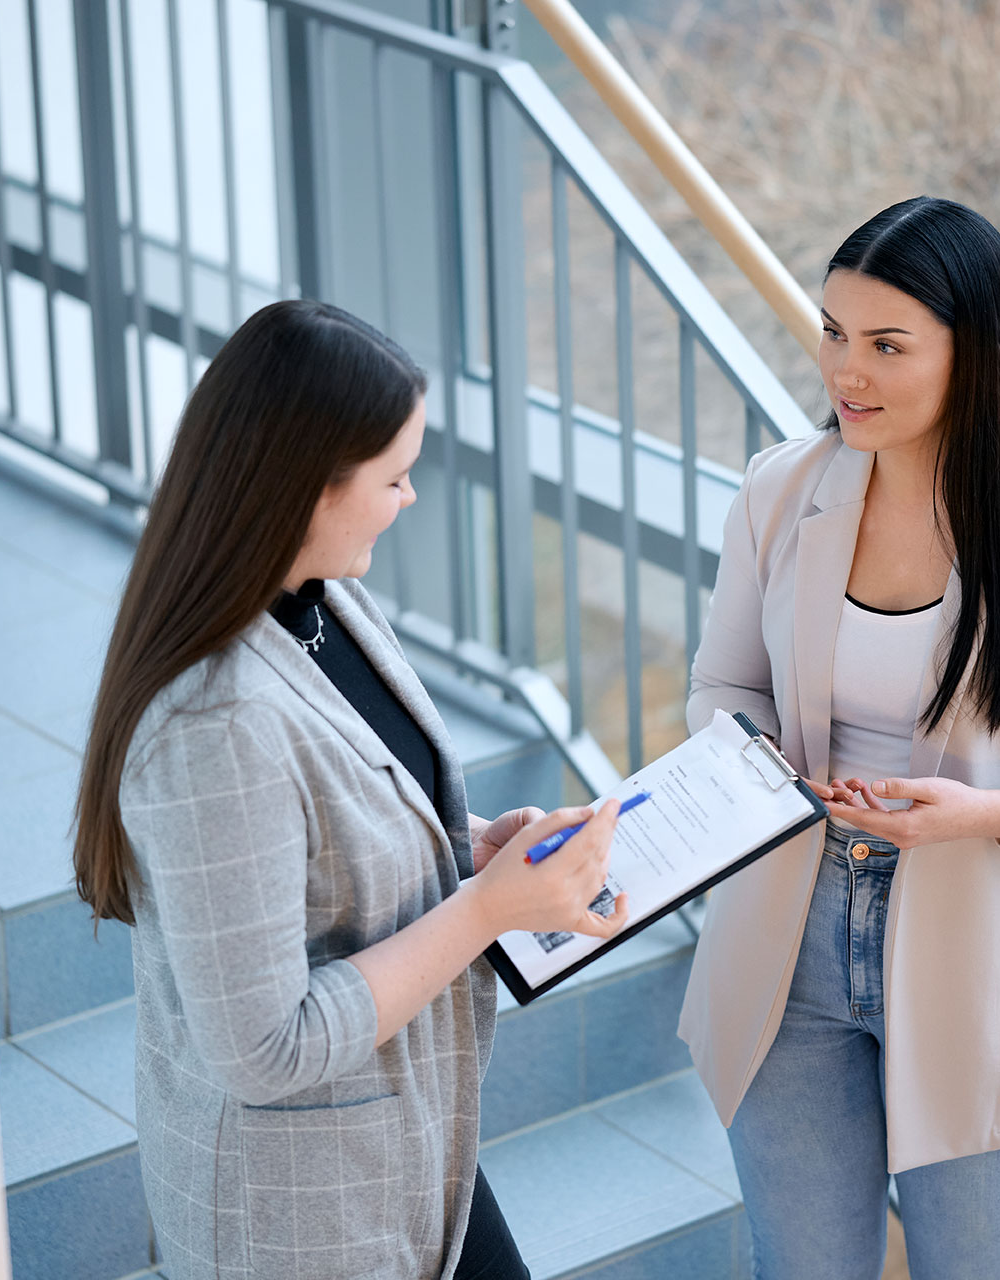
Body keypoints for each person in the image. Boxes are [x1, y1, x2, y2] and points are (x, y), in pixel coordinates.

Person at [71, 299, 631, 1280]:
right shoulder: (214, 726)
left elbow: (334, 832)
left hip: (413, 1148)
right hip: (306, 1210)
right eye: (395, 476)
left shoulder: (326, 601)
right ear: (304, 489)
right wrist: (483, 909)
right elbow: (263, 1048)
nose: (410, 497)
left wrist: (471, 847)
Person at [679, 197, 1000, 1279]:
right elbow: (723, 683)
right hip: (787, 935)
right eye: (833, 332)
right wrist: (758, 760)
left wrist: (983, 815)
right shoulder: (780, 489)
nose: (844, 371)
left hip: (984, 954)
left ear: (977, 351)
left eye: (886, 345)